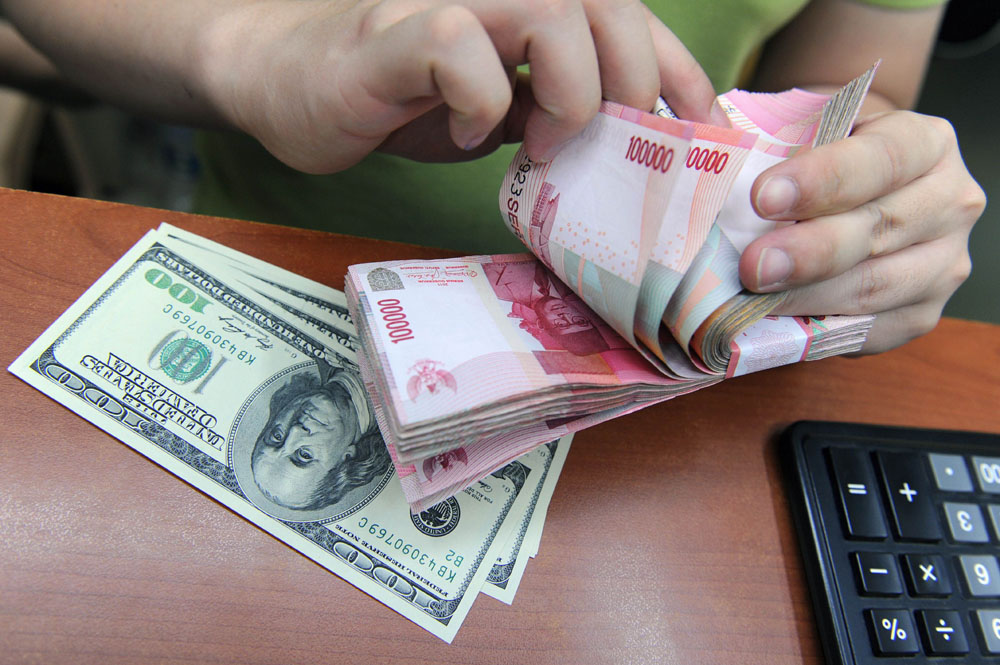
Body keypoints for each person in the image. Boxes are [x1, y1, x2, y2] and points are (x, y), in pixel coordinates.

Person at [0, 0, 986, 357]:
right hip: (277, 274)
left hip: (650, 364)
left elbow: (857, 76)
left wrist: (869, 194)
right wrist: (256, 46)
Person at [250, 368, 390, 512]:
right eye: (305, 454)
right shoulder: (399, 418)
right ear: (347, 459)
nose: (295, 430)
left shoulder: (326, 363)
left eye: (277, 436)